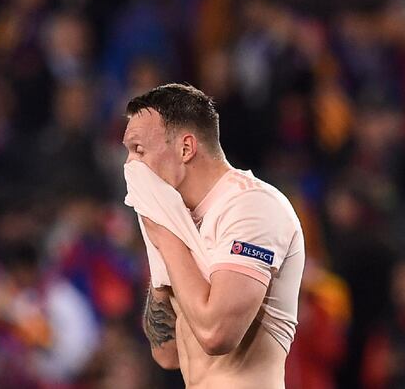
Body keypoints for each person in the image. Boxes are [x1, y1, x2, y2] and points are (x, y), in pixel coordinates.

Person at [122, 83, 305, 388]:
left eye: (139, 150)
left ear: (185, 148)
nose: (130, 166)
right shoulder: (179, 220)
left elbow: (216, 334)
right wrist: (160, 248)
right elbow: (167, 354)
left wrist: (166, 237)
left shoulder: (252, 206)